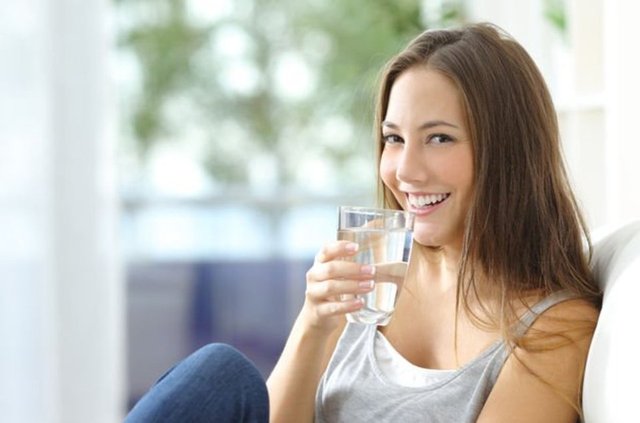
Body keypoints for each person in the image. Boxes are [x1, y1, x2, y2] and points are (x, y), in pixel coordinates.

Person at [125, 23, 601, 423]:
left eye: (439, 138)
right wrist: (314, 324)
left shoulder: (556, 328)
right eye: (394, 139)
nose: (405, 171)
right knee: (219, 374)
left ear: (508, 154)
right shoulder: (374, 273)